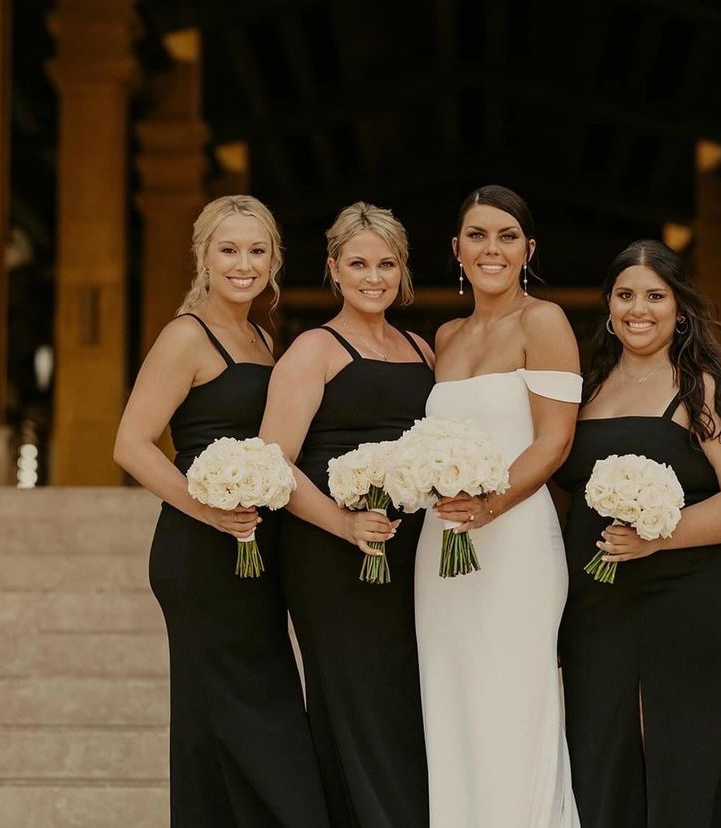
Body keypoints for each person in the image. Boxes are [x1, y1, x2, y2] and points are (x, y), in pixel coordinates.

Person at [113, 196, 328, 827]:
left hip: (254, 553)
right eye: (228, 249)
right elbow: (130, 444)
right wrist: (207, 512)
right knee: (245, 720)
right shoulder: (186, 335)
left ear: (274, 261)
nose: (243, 263)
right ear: (203, 257)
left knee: (239, 721)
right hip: (201, 552)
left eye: (257, 251)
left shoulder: (262, 338)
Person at [554, 239, 721, 827]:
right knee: (596, 742)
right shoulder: (585, 387)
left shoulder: (708, 386)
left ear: (680, 308)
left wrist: (659, 537)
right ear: (608, 305)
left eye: (655, 296)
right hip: (597, 597)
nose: (639, 309)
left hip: (693, 591)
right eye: (625, 295)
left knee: (683, 749)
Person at [259, 202, 433, 828]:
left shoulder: (422, 348)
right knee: (358, 699)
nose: (373, 276)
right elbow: (273, 462)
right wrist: (345, 524)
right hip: (333, 553)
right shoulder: (314, 348)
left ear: (403, 269)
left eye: (387, 263)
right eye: (358, 262)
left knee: (407, 699)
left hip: (413, 552)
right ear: (333, 267)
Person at [415, 185, 581, 827]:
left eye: (507, 236)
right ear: (456, 249)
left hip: (514, 543)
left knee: (513, 699)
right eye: (478, 235)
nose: (492, 248)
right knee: (451, 702)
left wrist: (491, 504)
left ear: (528, 250)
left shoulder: (543, 322)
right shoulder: (447, 335)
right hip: (442, 548)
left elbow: (555, 439)